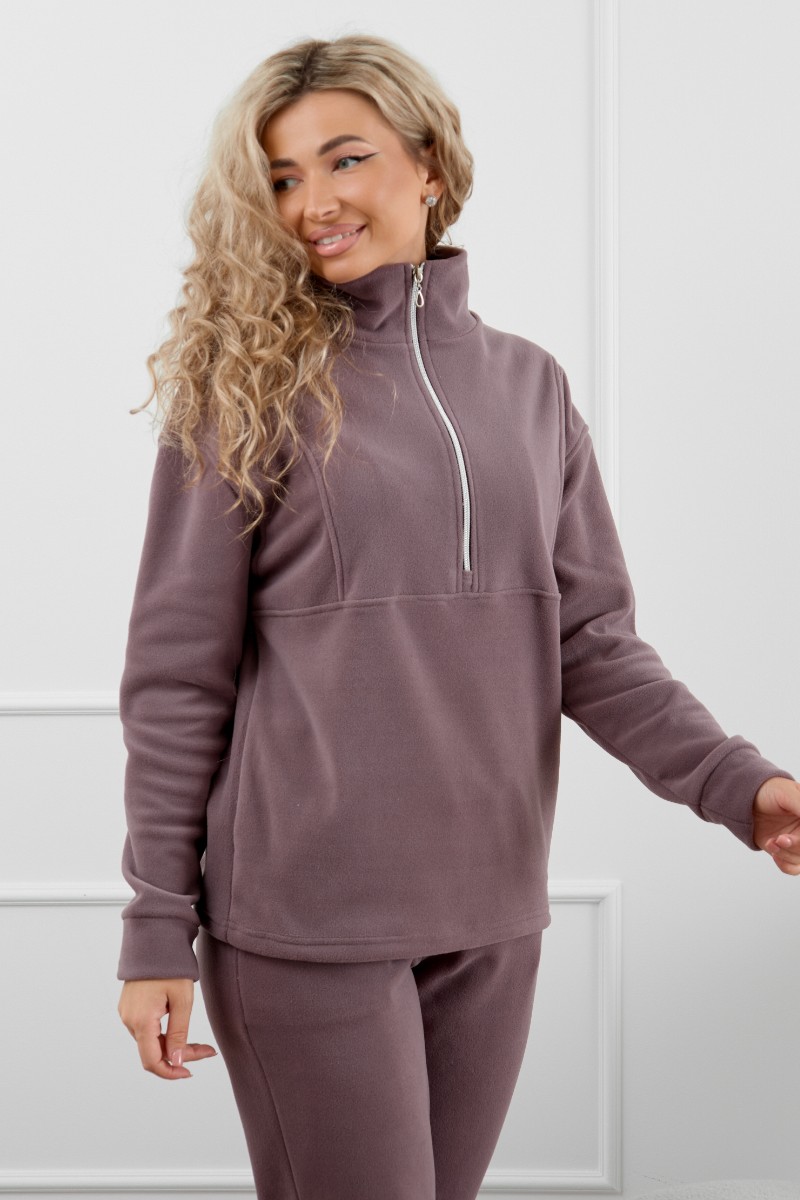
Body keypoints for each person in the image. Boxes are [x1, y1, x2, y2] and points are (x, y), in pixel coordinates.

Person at [115, 32, 800, 1200]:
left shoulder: (530, 386)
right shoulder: (242, 390)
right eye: (281, 178)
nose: (314, 202)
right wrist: (153, 929)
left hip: (491, 910)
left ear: (427, 164)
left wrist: (741, 786)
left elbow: (591, 647)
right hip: (304, 920)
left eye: (346, 159)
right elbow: (176, 679)